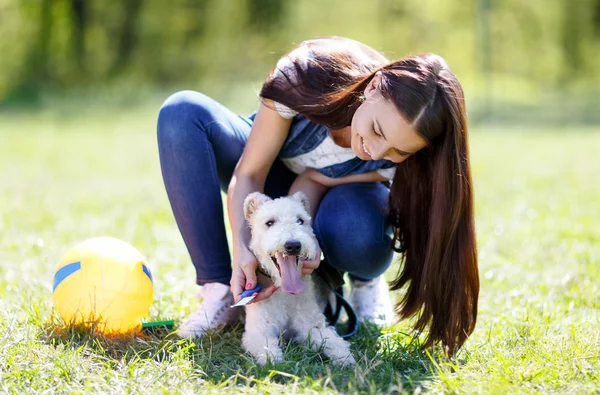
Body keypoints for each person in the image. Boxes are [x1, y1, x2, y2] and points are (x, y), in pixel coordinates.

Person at [157, 36, 479, 355]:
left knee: (356, 227)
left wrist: (306, 238)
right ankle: (219, 293)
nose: (376, 150)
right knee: (182, 113)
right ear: (373, 87)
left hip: (334, 199)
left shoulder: (410, 159)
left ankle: (363, 283)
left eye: (396, 150)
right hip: (269, 169)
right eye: (378, 130)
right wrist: (243, 249)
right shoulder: (305, 73)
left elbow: (317, 178)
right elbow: (250, 173)